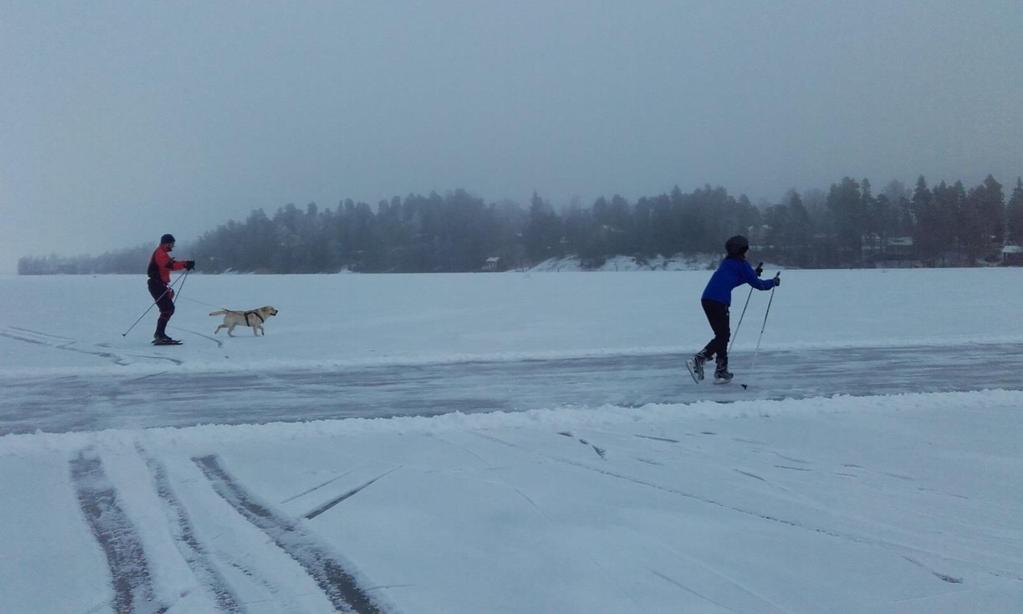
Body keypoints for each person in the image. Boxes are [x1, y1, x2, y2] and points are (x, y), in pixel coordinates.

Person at [687, 235, 779, 384]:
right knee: (723, 336)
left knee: (722, 335)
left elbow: (733, 281)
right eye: (747, 248)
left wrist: (752, 274)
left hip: (708, 299)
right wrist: (773, 282)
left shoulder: (728, 263)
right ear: (741, 250)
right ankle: (699, 359)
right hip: (719, 302)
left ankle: (721, 371)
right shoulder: (742, 264)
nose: (748, 251)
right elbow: (759, 285)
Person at [147, 234, 194, 344]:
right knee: (167, 309)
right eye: (172, 244)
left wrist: (184, 264)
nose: (173, 246)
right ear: (166, 243)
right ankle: (159, 334)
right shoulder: (160, 253)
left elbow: (169, 265)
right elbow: (169, 265)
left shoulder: (162, 253)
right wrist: (185, 264)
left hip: (159, 284)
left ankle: (160, 334)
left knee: (168, 309)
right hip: (156, 284)